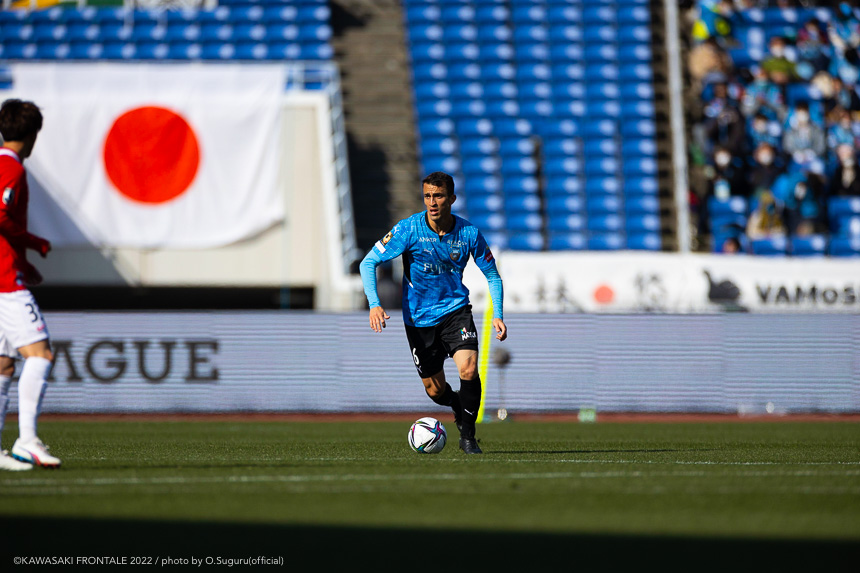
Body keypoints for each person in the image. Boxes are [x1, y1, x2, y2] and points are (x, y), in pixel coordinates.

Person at [360, 171, 506, 455]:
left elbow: (492, 275)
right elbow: (368, 262)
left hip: (455, 311)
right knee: (435, 391)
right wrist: (374, 303)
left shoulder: (469, 234)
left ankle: (468, 436)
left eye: (438, 196)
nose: (432, 202)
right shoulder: (408, 229)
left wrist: (498, 313)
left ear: (452, 199)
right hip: (419, 320)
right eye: (427, 196)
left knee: (469, 368)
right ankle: (455, 403)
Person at [0, 99, 58, 471]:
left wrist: (24, 263)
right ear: (32, 134)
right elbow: (0, 214)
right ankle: (27, 440)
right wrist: (35, 243)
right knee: (41, 355)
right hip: (5, 283)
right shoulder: (11, 168)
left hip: (7, 272)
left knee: (4, 365)